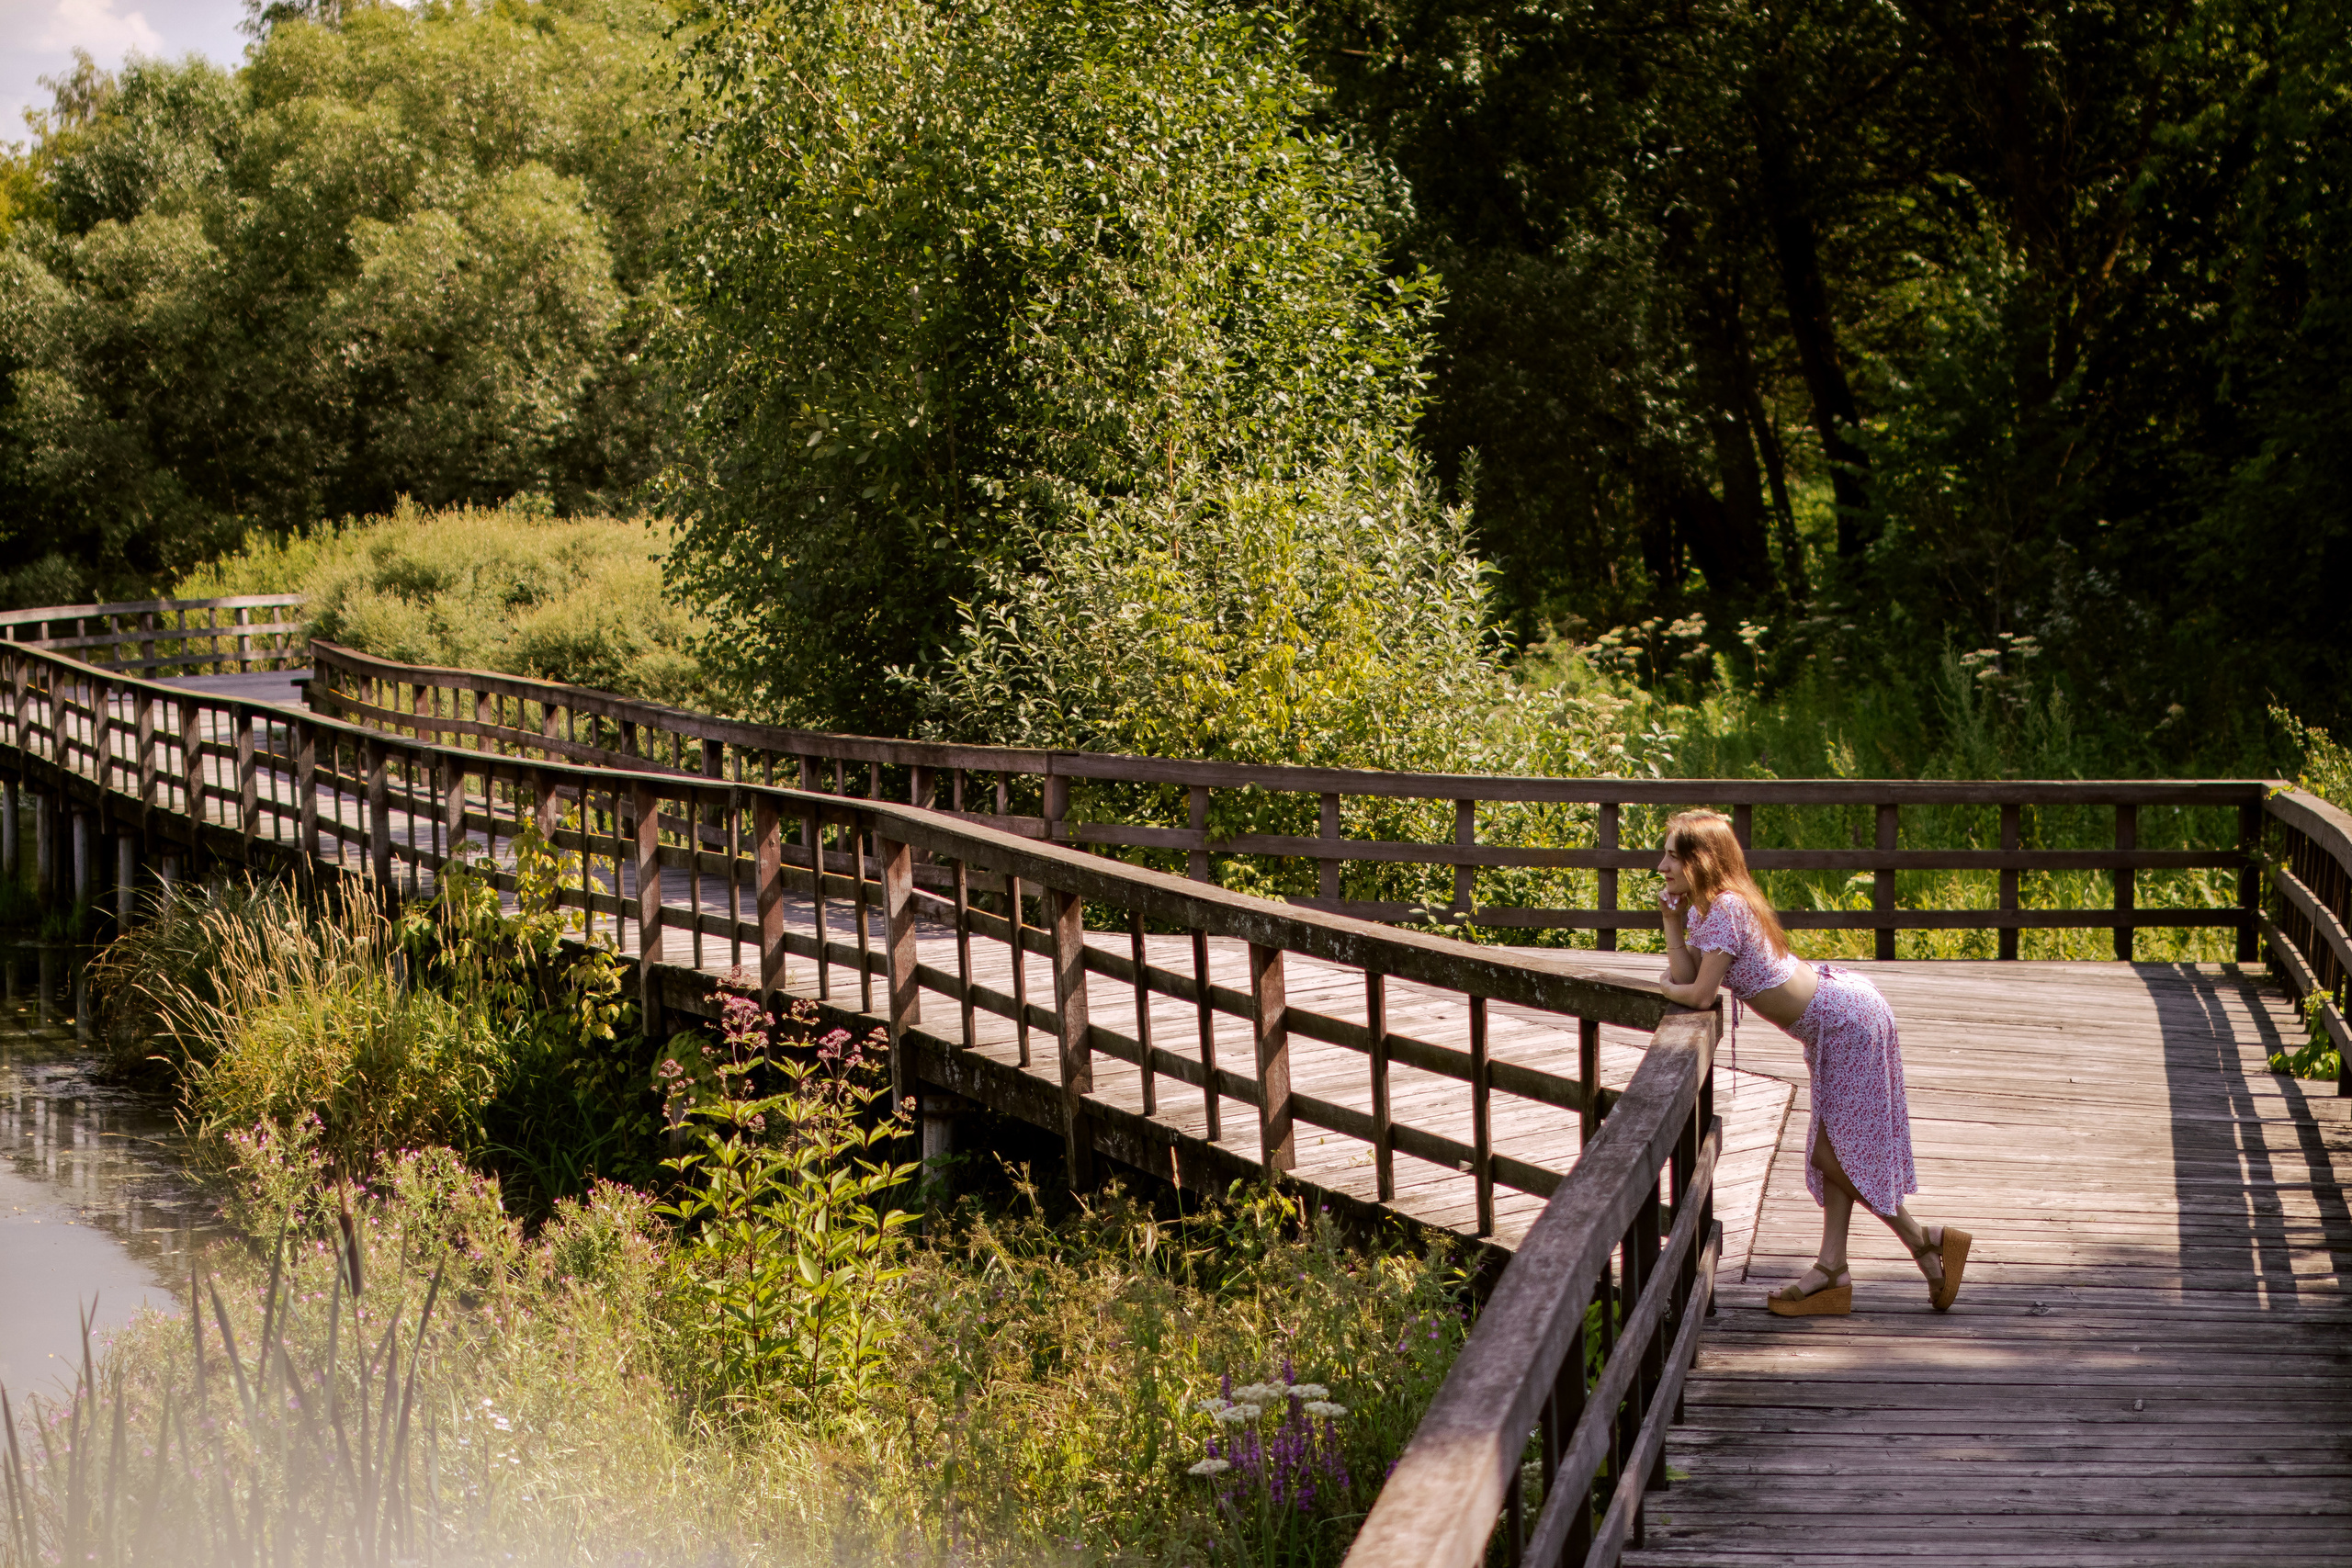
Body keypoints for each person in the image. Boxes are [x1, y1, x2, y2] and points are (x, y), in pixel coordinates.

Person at [1652, 809, 1968, 1315]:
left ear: (1701, 860)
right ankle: (1833, 1269)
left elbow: (1697, 993)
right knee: (1834, 1145)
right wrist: (1671, 921)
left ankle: (1922, 1239)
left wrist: (1668, 989)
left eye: (1672, 855)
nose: (1662, 865)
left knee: (1830, 1153)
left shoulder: (1728, 908)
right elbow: (1689, 975)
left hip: (1846, 1022)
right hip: (1833, 1025)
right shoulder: (1706, 910)